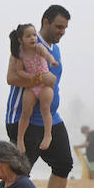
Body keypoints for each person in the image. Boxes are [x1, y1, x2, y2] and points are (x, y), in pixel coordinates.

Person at [4, 5, 74, 188]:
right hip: (23, 119)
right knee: (18, 171)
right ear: (45, 22)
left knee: (63, 163)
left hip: (50, 118)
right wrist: (41, 80)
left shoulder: (54, 48)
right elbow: (12, 78)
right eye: (58, 26)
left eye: (65, 28)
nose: (62, 31)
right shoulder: (27, 45)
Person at [7, 23, 59, 151]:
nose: (33, 38)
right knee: (25, 112)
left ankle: (48, 135)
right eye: (28, 36)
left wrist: (52, 61)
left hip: (45, 85)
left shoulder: (39, 48)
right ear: (21, 40)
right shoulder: (20, 54)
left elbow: (47, 55)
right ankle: (20, 140)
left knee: (45, 108)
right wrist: (28, 76)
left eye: (34, 35)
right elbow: (19, 71)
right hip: (32, 86)